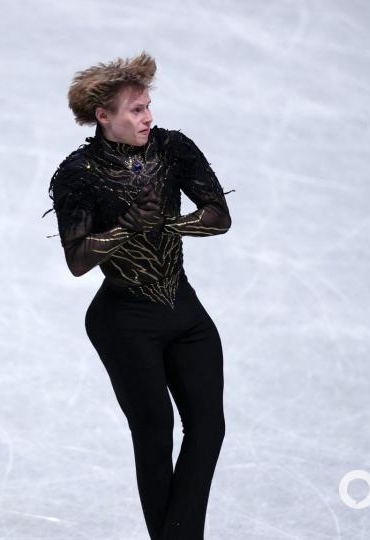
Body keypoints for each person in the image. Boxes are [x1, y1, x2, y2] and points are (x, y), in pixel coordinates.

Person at [43, 51, 235, 540]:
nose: (148, 116)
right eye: (136, 109)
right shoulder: (78, 174)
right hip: (124, 321)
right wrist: (128, 225)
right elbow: (78, 260)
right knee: (154, 433)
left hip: (182, 310)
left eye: (148, 106)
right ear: (103, 116)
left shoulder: (173, 149)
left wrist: (167, 224)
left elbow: (219, 216)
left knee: (209, 428)